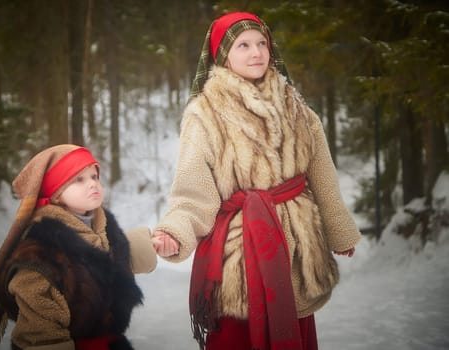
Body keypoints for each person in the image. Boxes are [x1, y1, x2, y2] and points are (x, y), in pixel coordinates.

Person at [152, 11, 361, 350]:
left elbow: (322, 174)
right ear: (222, 56)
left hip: (294, 243)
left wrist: (338, 229)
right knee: (238, 336)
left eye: (262, 43)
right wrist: (174, 232)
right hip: (240, 252)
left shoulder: (296, 105)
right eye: (243, 45)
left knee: (293, 326)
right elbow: (193, 192)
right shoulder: (204, 115)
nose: (256, 53)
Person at [0, 144, 157, 350]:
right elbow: (43, 338)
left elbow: (101, 258)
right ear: (56, 194)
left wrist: (149, 244)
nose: (92, 184)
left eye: (94, 176)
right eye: (79, 180)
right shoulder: (39, 257)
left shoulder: (102, 226)